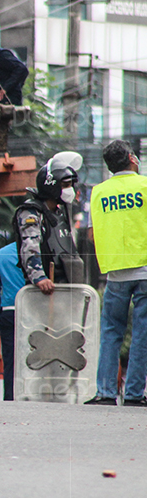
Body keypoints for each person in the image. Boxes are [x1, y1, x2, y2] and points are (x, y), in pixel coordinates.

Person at [86, 140, 147, 406]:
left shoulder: (98, 192)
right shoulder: (145, 186)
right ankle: (134, 394)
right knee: (143, 333)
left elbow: (91, 232)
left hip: (115, 273)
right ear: (132, 159)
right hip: (145, 269)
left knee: (111, 332)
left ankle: (106, 392)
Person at [13, 151, 84, 292]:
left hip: (65, 288)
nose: (69, 189)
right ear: (52, 185)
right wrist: (39, 277)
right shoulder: (32, 212)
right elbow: (30, 246)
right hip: (44, 291)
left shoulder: (60, 213)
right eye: (65, 185)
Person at [0, 242, 25, 401]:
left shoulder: (0, 255)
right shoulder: (41, 250)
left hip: (9, 311)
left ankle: (10, 398)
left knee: (10, 360)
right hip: (36, 310)